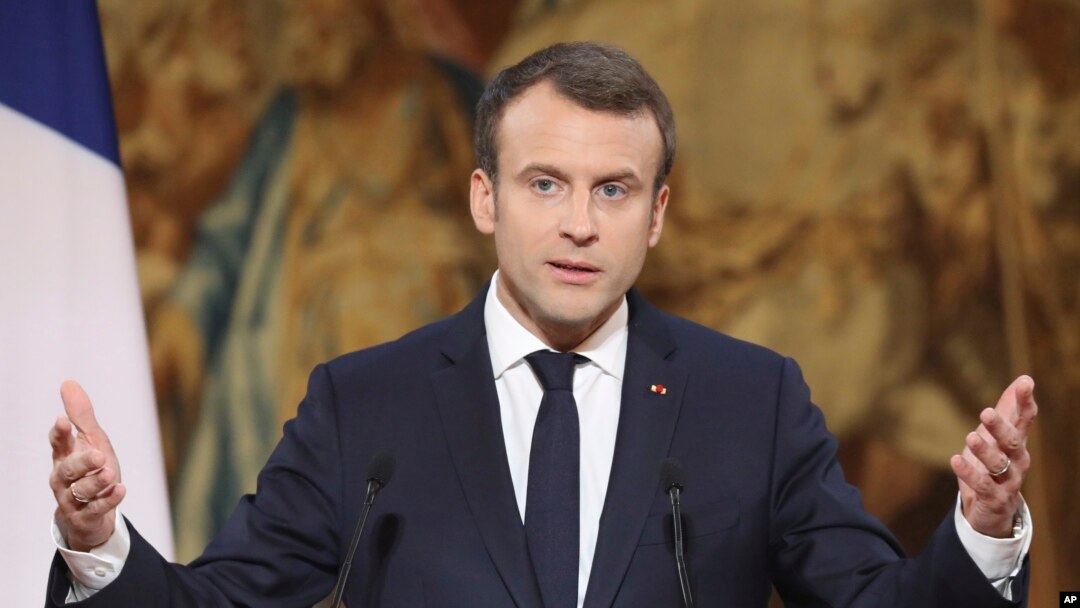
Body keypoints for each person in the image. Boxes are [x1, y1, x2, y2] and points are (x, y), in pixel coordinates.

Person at [47, 42, 1035, 607]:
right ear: (485, 199)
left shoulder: (752, 400)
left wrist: (982, 532)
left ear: (656, 215)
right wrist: (99, 544)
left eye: (614, 189)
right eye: (545, 183)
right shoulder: (365, 405)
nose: (578, 222)